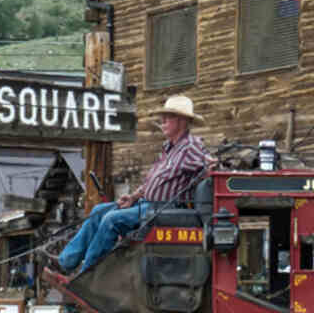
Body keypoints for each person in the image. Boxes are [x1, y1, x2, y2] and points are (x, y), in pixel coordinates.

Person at [57, 94, 211, 275]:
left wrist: (215, 165)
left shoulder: (191, 146)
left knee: (111, 220)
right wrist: (132, 197)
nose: (162, 121)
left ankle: (87, 273)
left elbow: (209, 163)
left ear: (182, 121)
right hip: (146, 204)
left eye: (168, 117)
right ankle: (66, 262)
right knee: (99, 211)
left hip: (165, 210)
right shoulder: (169, 148)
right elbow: (151, 182)